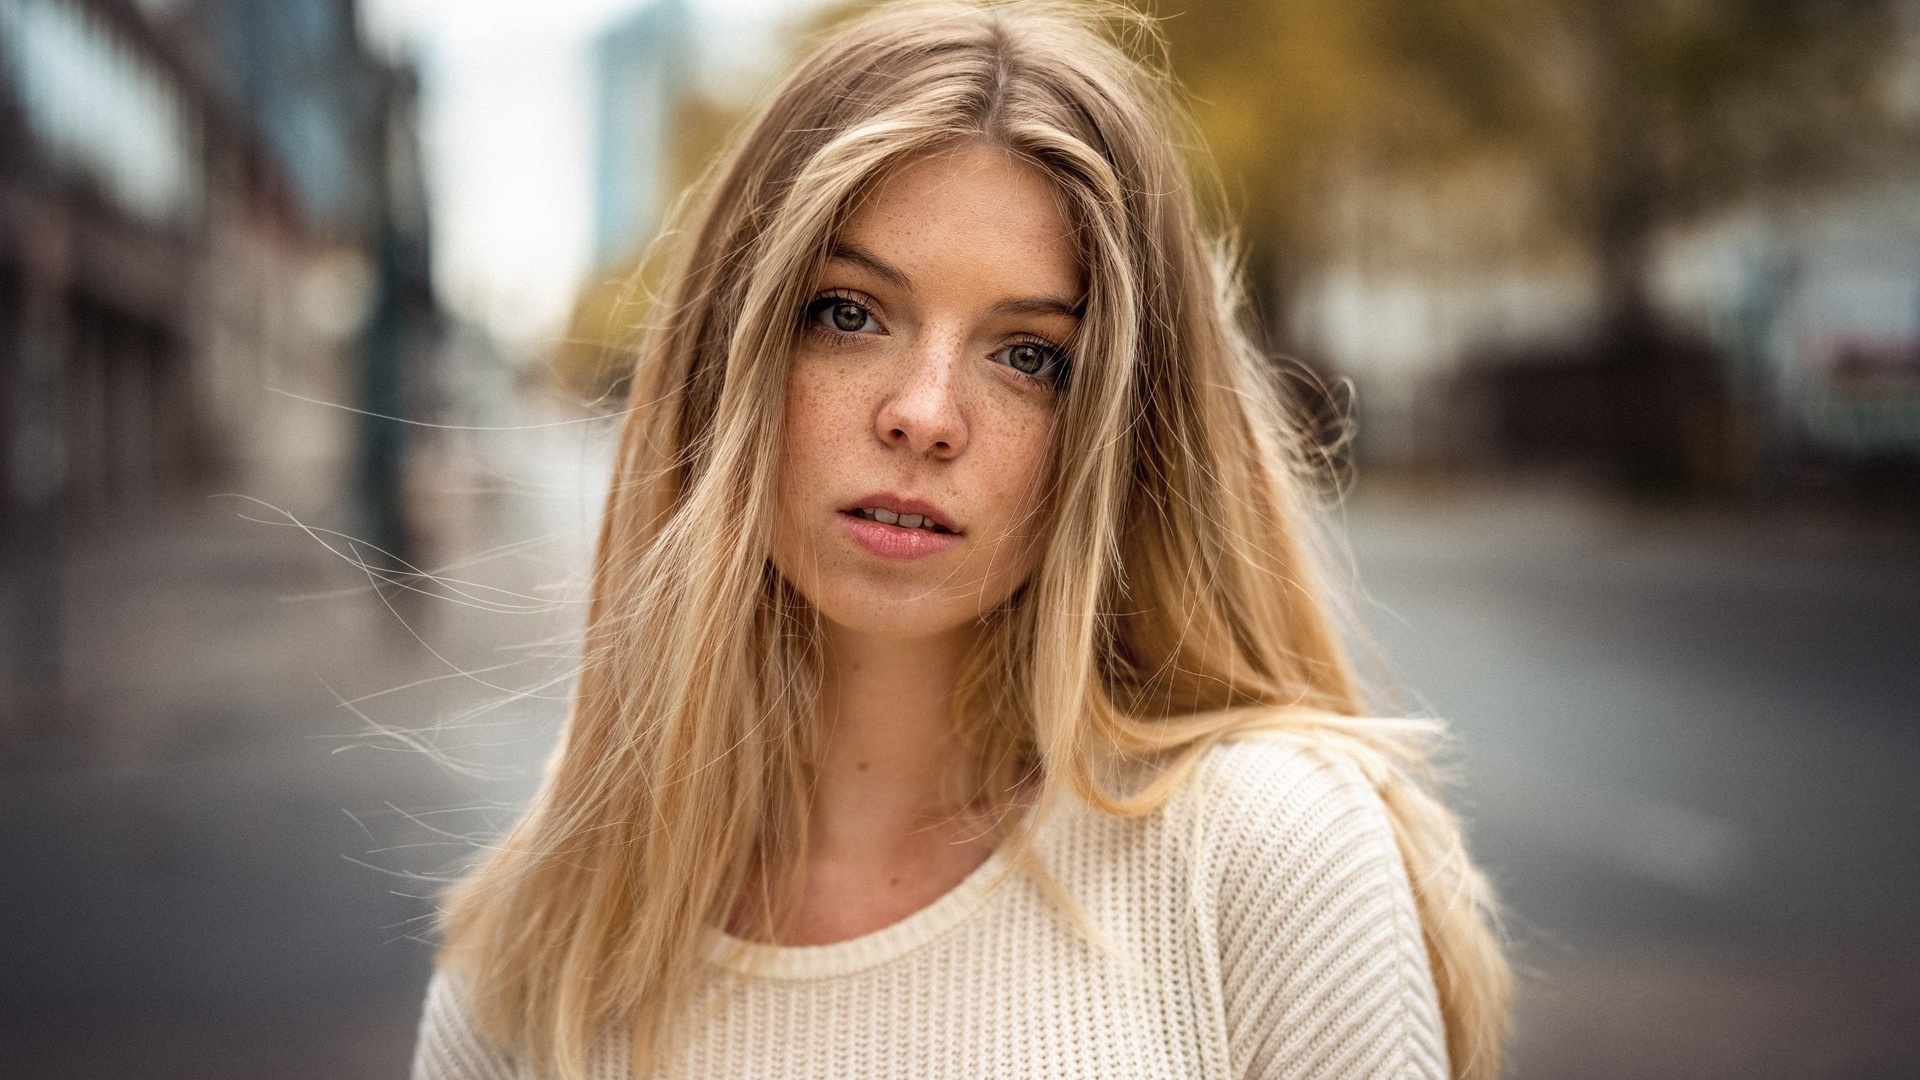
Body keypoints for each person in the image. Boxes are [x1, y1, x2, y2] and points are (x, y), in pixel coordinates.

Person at [411, 2, 1511, 1077]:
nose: (925, 413)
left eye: (1030, 355)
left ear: (1118, 433)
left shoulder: (1273, 853)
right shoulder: (537, 959)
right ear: (728, 359)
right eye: (849, 312)